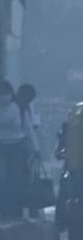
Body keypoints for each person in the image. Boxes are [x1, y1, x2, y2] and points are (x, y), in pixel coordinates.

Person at [0, 79, 38, 220]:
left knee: (15, 180)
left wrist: (35, 149)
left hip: (17, 147)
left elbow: (28, 130)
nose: (3, 95)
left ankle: (14, 210)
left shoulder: (19, 108)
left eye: (5, 92)